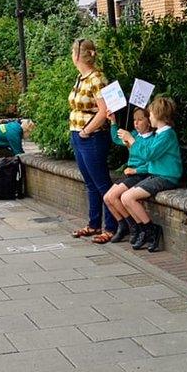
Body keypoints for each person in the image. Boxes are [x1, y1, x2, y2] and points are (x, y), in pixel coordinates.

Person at [118, 96, 182, 253]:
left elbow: (149, 154)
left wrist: (132, 140)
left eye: (151, 114)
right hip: (156, 175)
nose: (150, 117)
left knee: (128, 197)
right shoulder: (160, 133)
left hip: (166, 177)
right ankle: (145, 230)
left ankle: (152, 230)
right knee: (125, 197)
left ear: (159, 115)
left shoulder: (167, 135)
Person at [67, 38, 115, 243]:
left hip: (92, 136)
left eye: (72, 52)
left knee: (102, 182)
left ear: (78, 55)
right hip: (77, 134)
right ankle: (94, 223)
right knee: (90, 183)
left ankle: (111, 227)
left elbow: (104, 110)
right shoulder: (81, 78)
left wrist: (87, 130)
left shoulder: (97, 78)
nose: (71, 56)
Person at [103, 107, 154, 243]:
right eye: (134, 120)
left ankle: (135, 227)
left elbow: (152, 162)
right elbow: (116, 138)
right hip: (130, 173)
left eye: (140, 120)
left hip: (140, 174)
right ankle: (124, 224)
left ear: (149, 121)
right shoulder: (133, 135)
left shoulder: (152, 139)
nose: (136, 123)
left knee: (114, 196)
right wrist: (113, 122)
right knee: (107, 198)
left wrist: (136, 170)